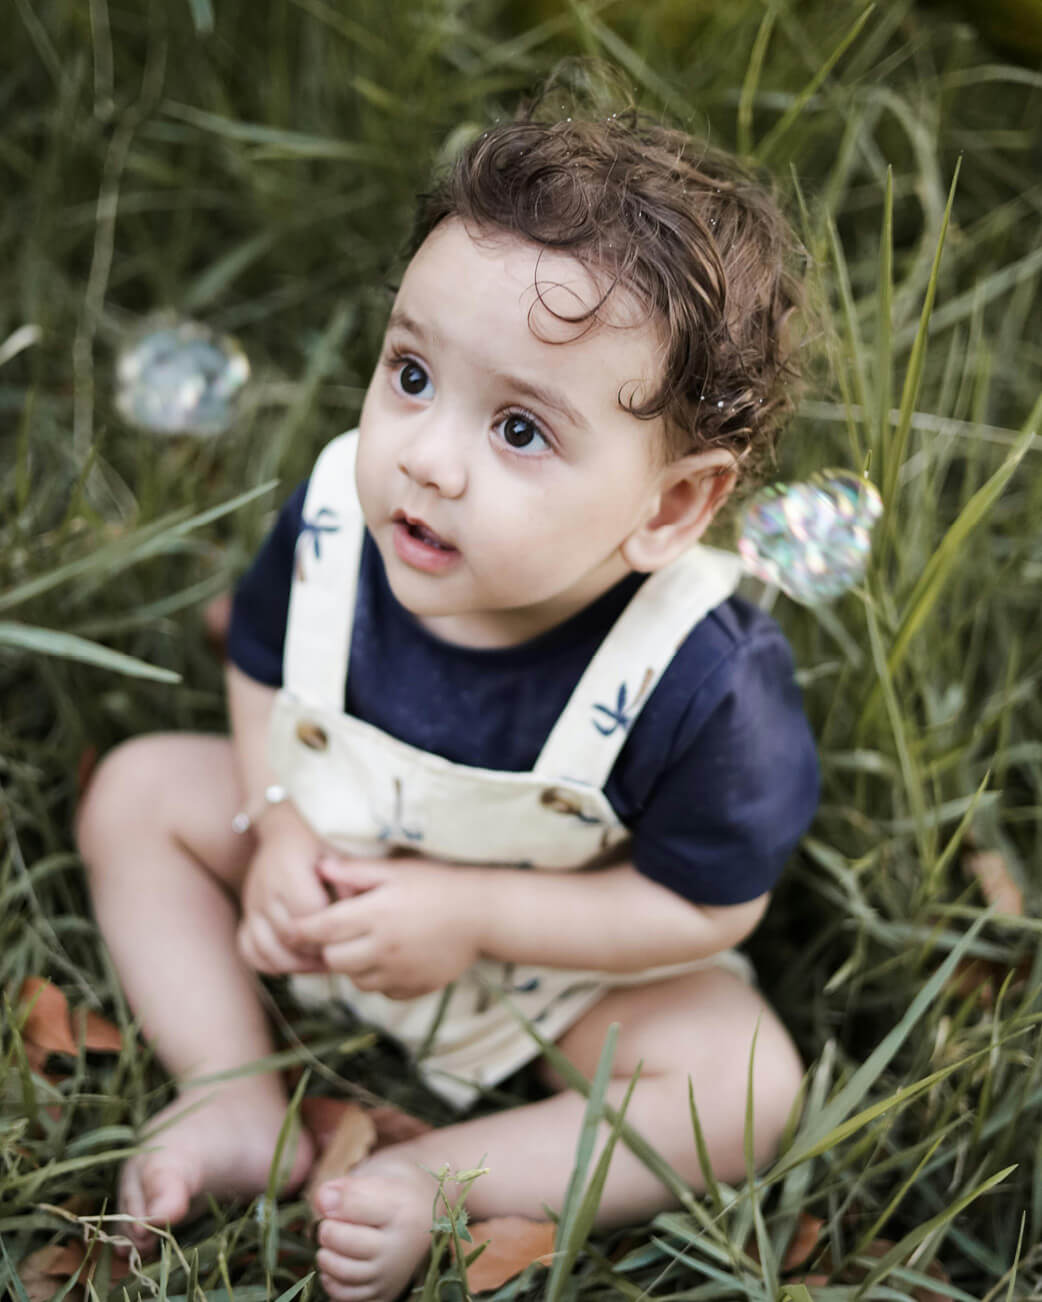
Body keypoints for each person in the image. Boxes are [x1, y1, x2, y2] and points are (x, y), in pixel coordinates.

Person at [77, 100, 819, 1302]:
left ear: (671, 509)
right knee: (141, 790)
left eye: (520, 428)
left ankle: (442, 1180)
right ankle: (230, 1097)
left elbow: (702, 908)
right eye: (412, 373)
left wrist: (472, 917)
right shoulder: (338, 514)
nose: (425, 454)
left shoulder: (700, 676)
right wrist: (274, 822)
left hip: (543, 974)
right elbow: (262, 666)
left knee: (742, 1079)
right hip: (321, 874)